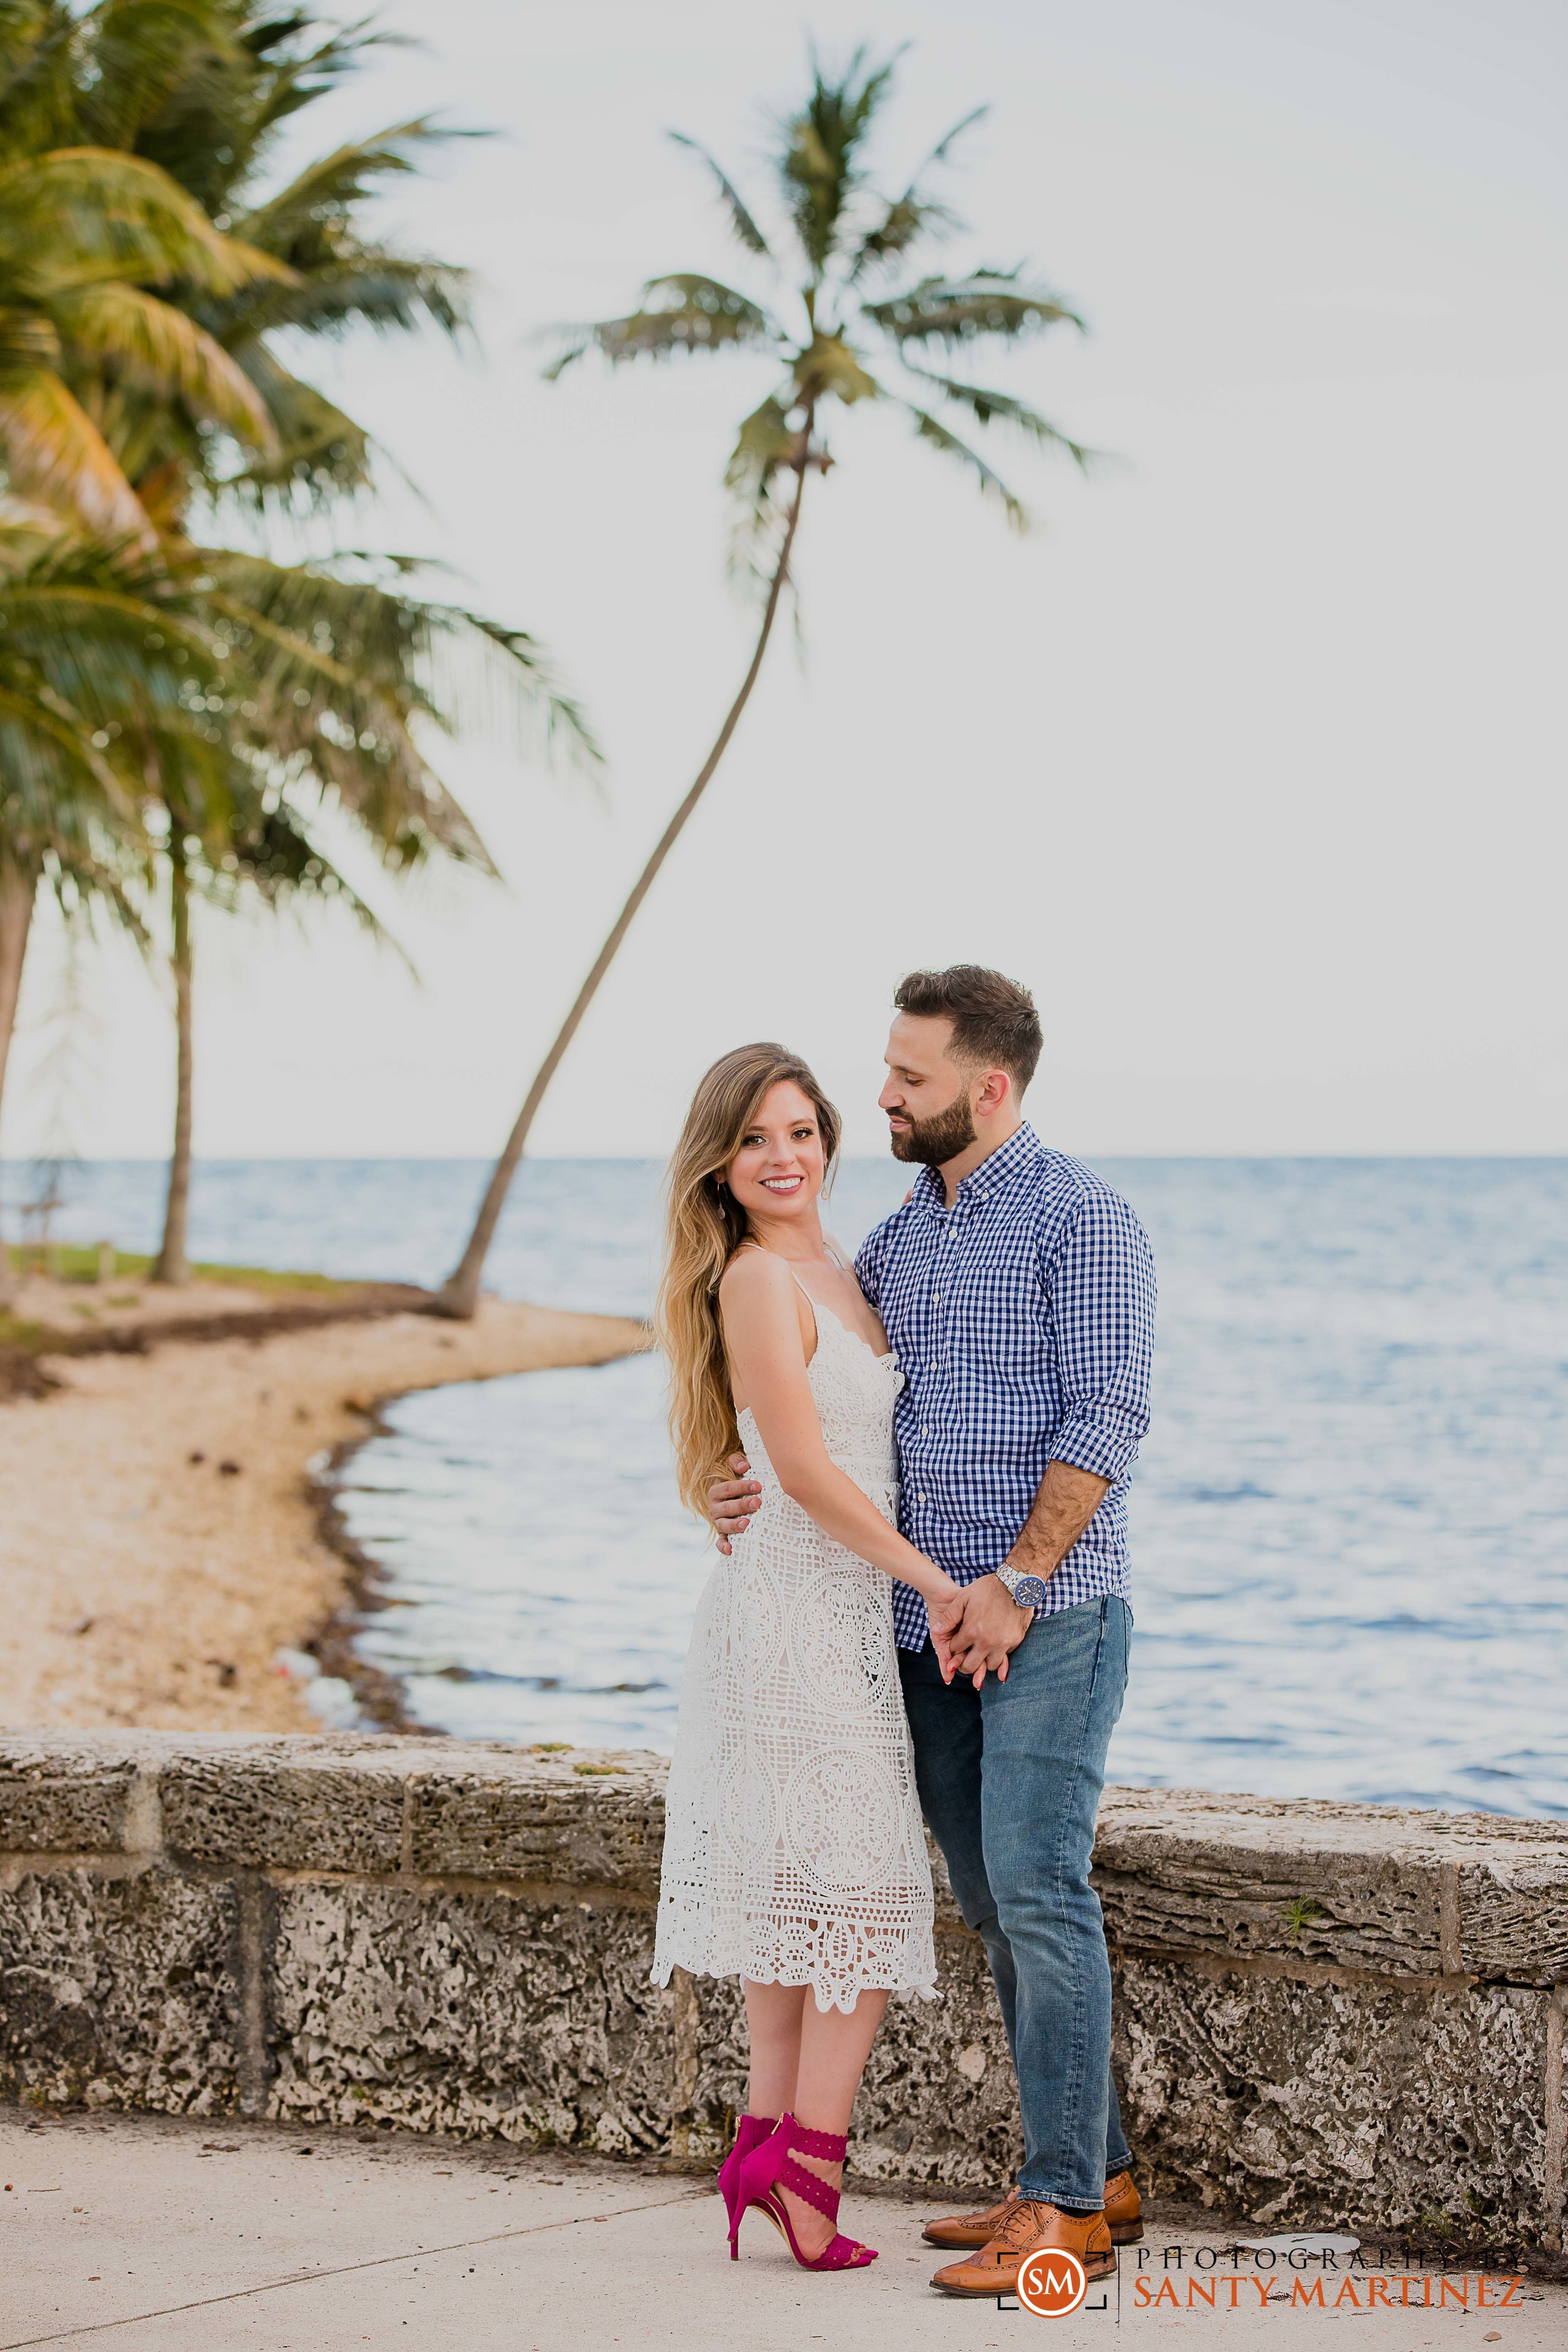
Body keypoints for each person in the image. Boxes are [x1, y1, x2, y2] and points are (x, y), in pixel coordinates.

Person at [710, 966, 1157, 2298]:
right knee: (987, 1899)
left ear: (988, 1086)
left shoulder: (1084, 1221)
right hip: (925, 1628)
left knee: (1035, 1887)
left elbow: (1105, 1423)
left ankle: (1064, 2207)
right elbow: (831, 1414)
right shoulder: (899, 1242)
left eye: (907, 1077)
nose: (883, 1096)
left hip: (1049, 1616)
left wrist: (1011, 1580)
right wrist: (735, 1481)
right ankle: (1101, 2171)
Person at [651, 1041, 970, 2276]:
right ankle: (808, 2171)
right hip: (790, 1613)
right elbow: (797, 1469)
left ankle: (761, 2142)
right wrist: (940, 1582)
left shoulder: (844, 1267)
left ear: (825, 1140)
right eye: (753, 1142)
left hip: (839, 1611)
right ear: (721, 1171)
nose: (781, 1157)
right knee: (868, 1897)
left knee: (799, 1903)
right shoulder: (749, 1281)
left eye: (796, 1131)